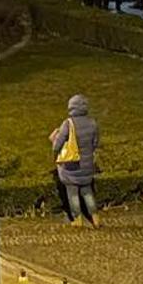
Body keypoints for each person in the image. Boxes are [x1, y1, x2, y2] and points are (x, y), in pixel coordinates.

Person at [50, 93, 101, 221]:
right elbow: (95, 143)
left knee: (72, 193)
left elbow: (58, 145)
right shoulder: (92, 123)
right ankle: (95, 216)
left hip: (71, 166)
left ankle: (77, 218)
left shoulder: (68, 124)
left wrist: (55, 152)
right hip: (87, 165)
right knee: (87, 191)